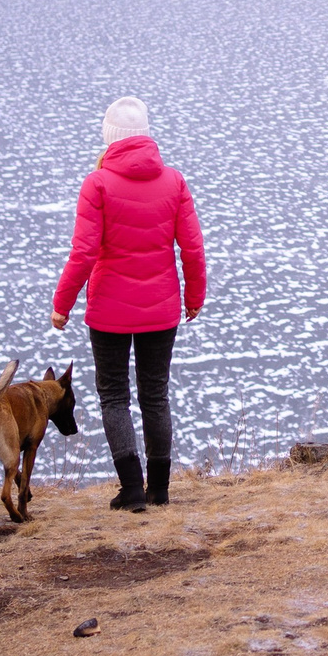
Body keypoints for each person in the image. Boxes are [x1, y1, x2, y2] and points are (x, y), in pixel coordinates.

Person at [51, 96, 206, 513]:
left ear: (110, 137)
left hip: (109, 311)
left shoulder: (97, 183)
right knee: (155, 395)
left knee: (114, 396)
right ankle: (160, 489)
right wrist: (194, 297)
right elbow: (192, 248)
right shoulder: (174, 181)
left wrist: (62, 304)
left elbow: (83, 252)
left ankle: (132, 490)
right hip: (161, 307)